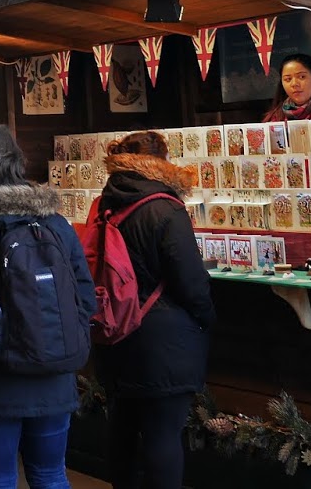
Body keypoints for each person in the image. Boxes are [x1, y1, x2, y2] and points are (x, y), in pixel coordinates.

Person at [0, 125, 94, 489]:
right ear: (17, 162)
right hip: (55, 374)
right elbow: (85, 295)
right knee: (51, 473)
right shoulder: (55, 223)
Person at [93, 131, 214, 489]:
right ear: (161, 163)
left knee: (123, 430)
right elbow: (191, 282)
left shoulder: (107, 203)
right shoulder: (166, 208)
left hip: (115, 331)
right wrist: (206, 319)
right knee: (163, 435)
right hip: (163, 341)